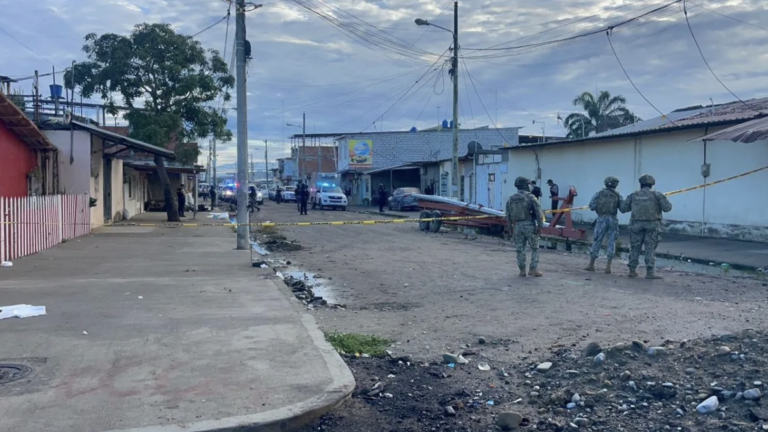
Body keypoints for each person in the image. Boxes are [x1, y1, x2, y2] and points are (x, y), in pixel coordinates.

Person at [619, 174, 673, 279]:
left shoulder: (633, 195)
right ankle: (650, 272)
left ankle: (632, 270)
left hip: (636, 224)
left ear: (640, 184)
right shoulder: (657, 195)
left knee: (635, 247)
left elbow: (623, 209)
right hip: (652, 225)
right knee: (650, 248)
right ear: (652, 184)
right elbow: (667, 208)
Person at [505, 176, 544, 277]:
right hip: (529, 225)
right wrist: (540, 226)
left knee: (520, 249)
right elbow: (539, 212)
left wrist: (510, 228)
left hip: (517, 226)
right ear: (526, 185)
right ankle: (533, 269)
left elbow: (508, 214)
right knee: (535, 248)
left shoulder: (511, 198)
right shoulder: (531, 197)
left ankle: (522, 270)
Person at [585, 176, 624, 274]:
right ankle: (608, 266)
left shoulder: (599, 193)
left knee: (597, 240)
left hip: (601, 219)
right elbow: (623, 209)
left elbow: (591, 206)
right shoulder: (618, 195)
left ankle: (591, 264)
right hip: (613, 219)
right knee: (611, 241)